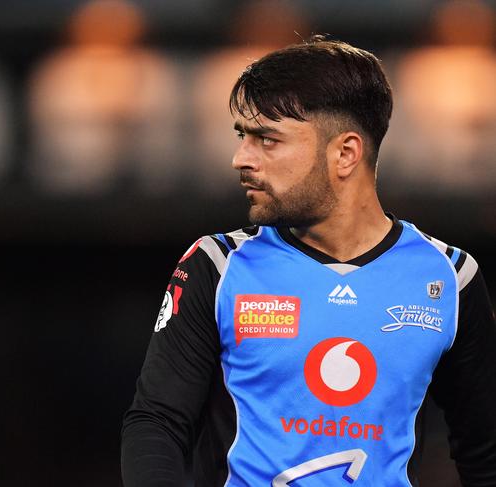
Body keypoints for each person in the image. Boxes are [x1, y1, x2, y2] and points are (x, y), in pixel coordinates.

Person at [121, 36, 496, 486]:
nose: (241, 159)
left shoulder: (450, 278)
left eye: (267, 140)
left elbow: (485, 451)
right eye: (243, 136)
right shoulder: (217, 266)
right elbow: (156, 424)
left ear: (345, 153)